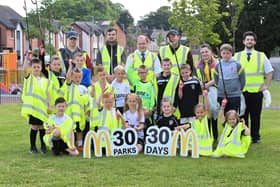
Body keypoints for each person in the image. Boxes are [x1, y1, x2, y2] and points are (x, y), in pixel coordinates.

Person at [234, 31, 274, 144]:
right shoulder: (237, 56)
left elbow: (270, 71)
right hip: (242, 91)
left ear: (255, 42)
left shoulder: (261, 56)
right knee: (242, 115)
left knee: (255, 116)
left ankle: (255, 137)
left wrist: (266, 85)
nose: (249, 41)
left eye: (251, 39)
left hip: (256, 91)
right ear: (243, 41)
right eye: (247, 39)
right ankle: (244, 135)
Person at [21, 57, 53, 154]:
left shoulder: (45, 81)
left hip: (42, 108)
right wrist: (26, 59)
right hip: (33, 108)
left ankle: (43, 146)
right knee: (34, 127)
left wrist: (49, 105)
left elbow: (48, 94)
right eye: (34, 67)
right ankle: (33, 147)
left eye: (38, 67)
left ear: (41, 67)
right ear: (31, 68)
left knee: (42, 127)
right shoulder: (29, 78)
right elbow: (24, 70)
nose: (36, 69)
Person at [214, 43, 245, 114]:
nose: (226, 55)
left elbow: (242, 80)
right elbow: (216, 79)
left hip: (234, 95)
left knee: (233, 115)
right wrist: (220, 87)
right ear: (220, 54)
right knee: (224, 115)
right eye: (223, 53)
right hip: (222, 95)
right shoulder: (218, 65)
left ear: (232, 53)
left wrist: (238, 89)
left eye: (228, 53)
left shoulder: (237, 64)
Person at [196, 43, 218, 142]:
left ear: (210, 52)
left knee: (213, 111)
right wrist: (201, 85)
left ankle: (215, 135)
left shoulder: (216, 63)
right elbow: (197, 77)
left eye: (206, 51)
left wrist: (206, 85)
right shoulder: (199, 64)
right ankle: (207, 135)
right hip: (203, 90)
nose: (204, 54)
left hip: (213, 88)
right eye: (202, 52)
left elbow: (217, 78)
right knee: (205, 112)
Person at [133, 65, 156, 133]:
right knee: (138, 131)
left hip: (147, 113)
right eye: (140, 72)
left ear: (147, 73)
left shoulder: (150, 84)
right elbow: (129, 72)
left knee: (148, 131)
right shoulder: (136, 83)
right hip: (138, 112)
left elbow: (152, 98)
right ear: (138, 74)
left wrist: (150, 110)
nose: (142, 74)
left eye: (144, 72)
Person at [192, 90, 213, 156]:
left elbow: (207, 109)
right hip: (197, 142)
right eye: (198, 113)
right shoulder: (194, 120)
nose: (200, 114)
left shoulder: (206, 119)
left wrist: (206, 97)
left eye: (201, 112)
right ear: (195, 113)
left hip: (206, 143)